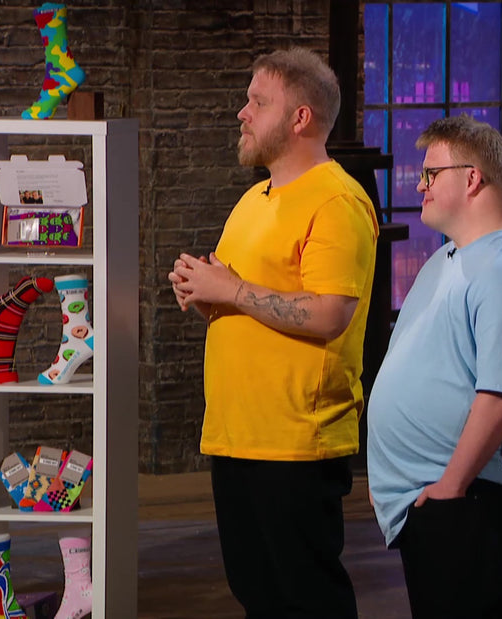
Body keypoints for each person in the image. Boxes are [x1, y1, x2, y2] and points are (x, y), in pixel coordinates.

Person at [168, 47, 379, 619]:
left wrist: (231, 290)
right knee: (258, 595)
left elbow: (330, 313)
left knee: (305, 600)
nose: (243, 113)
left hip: (294, 442)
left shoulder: (335, 200)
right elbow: (250, 299)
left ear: (300, 118)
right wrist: (206, 292)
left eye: (258, 102)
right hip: (238, 434)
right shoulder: (253, 199)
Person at [367, 115, 502, 619]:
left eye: (432, 174)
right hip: (439, 499)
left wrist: (451, 487)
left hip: (472, 499)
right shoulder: (455, 256)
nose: (421, 185)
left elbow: (500, 395)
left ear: (472, 178)